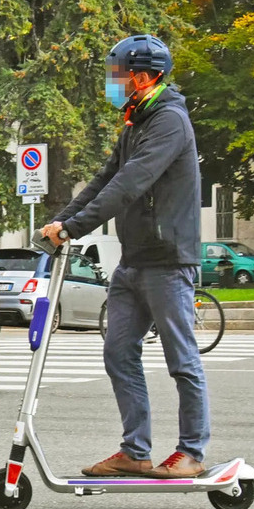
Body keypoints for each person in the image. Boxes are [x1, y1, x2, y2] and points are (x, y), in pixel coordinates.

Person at [40, 34, 209, 479]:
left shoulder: (169, 120)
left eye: (116, 76)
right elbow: (104, 180)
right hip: (134, 261)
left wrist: (75, 228)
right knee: (118, 353)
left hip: (169, 261)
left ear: (140, 76)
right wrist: (61, 221)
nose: (111, 84)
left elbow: (132, 182)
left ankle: (191, 451)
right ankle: (135, 451)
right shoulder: (137, 122)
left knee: (181, 360)